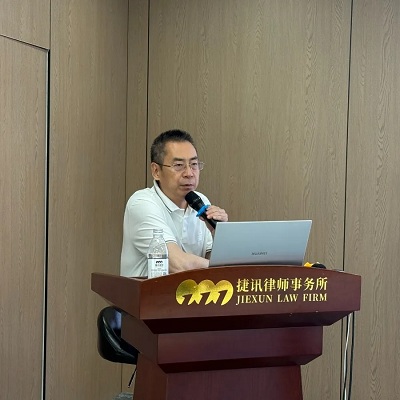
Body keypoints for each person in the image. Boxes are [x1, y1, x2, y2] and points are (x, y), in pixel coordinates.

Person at [120, 129, 228, 277]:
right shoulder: (141, 203)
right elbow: (178, 264)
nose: (189, 173)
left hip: (193, 291)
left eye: (194, 164)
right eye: (178, 165)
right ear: (156, 171)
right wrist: (228, 268)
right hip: (150, 291)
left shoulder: (201, 201)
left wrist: (221, 234)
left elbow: (209, 259)